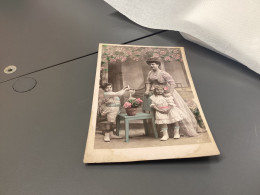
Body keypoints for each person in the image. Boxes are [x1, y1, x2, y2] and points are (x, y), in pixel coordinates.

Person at [145, 58, 204, 137]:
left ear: (158, 64)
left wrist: (170, 93)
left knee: (173, 111)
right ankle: (165, 133)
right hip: (157, 93)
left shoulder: (163, 73)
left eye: (153, 64)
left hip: (167, 92)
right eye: (150, 64)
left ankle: (178, 132)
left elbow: (172, 83)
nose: (151, 66)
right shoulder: (150, 73)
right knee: (160, 111)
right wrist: (147, 90)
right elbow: (148, 82)